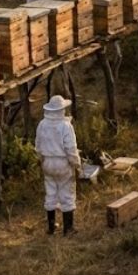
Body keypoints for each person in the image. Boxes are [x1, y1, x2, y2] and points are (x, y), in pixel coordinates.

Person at [36, 94, 81, 236]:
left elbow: (37, 146)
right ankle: (68, 229)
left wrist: (41, 160)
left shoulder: (42, 124)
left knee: (51, 193)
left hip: (47, 162)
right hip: (63, 163)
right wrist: (77, 164)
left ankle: (51, 227)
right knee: (67, 194)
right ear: (61, 110)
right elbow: (71, 149)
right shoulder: (66, 126)